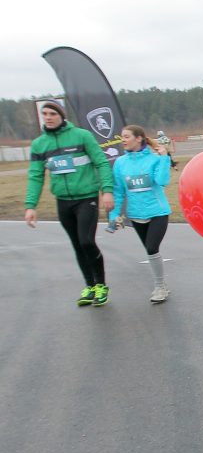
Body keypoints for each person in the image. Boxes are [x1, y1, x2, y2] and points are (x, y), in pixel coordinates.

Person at [24, 101, 116, 307]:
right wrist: (31, 205)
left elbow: (101, 162)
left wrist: (106, 191)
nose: (48, 117)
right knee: (77, 245)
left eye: (52, 113)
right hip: (63, 201)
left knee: (86, 241)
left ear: (61, 115)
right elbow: (35, 176)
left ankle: (101, 285)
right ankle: (89, 286)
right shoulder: (39, 144)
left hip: (86, 197)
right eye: (44, 114)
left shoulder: (81, 136)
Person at [109, 125, 173, 303]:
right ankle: (162, 284)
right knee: (150, 251)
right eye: (122, 137)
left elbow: (162, 181)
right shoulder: (120, 163)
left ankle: (160, 287)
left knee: (152, 247)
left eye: (126, 136)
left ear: (139, 138)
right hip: (136, 214)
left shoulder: (154, 159)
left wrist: (163, 158)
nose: (123, 140)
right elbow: (119, 191)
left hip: (158, 212)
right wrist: (114, 214)